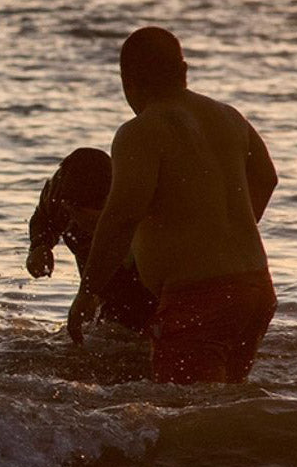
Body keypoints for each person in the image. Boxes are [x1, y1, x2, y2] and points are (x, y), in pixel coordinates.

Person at [67, 27, 278, 383]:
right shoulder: (228, 116)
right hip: (255, 289)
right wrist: (219, 234)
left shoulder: (140, 131)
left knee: (185, 420)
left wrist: (87, 294)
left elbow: (121, 218)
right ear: (183, 71)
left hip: (198, 298)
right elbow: (267, 178)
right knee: (225, 407)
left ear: (127, 81)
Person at [27, 147, 155, 335]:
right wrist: (40, 246)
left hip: (144, 282)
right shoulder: (62, 195)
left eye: (91, 217)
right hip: (95, 280)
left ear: (110, 203)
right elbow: (44, 217)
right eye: (74, 213)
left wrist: (87, 293)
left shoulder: (136, 207)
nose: (79, 221)